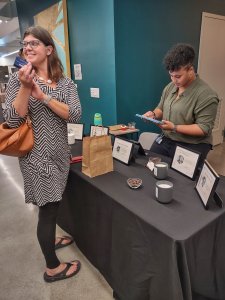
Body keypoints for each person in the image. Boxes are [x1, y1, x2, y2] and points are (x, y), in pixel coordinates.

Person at [4, 26, 82, 283]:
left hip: (61, 153)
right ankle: (52, 268)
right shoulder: (18, 79)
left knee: (48, 205)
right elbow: (13, 121)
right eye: (25, 44)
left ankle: (50, 239)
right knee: (48, 209)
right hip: (35, 157)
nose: (27, 47)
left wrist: (43, 96)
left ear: (49, 50)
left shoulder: (66, 83)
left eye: (34, 43)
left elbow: (75, 115)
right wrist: (28, 88)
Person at [144, 43, 219, 166]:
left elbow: (203, 128)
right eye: (171, 75)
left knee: (179, 180)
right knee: (151, 166)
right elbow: (161, 108)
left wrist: (174, 127)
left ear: (190, 70)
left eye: (178, 76)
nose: (174, 80)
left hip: (193, 144)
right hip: (167, 139)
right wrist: (153, 114)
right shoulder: (171, 87)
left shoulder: (206, 95)